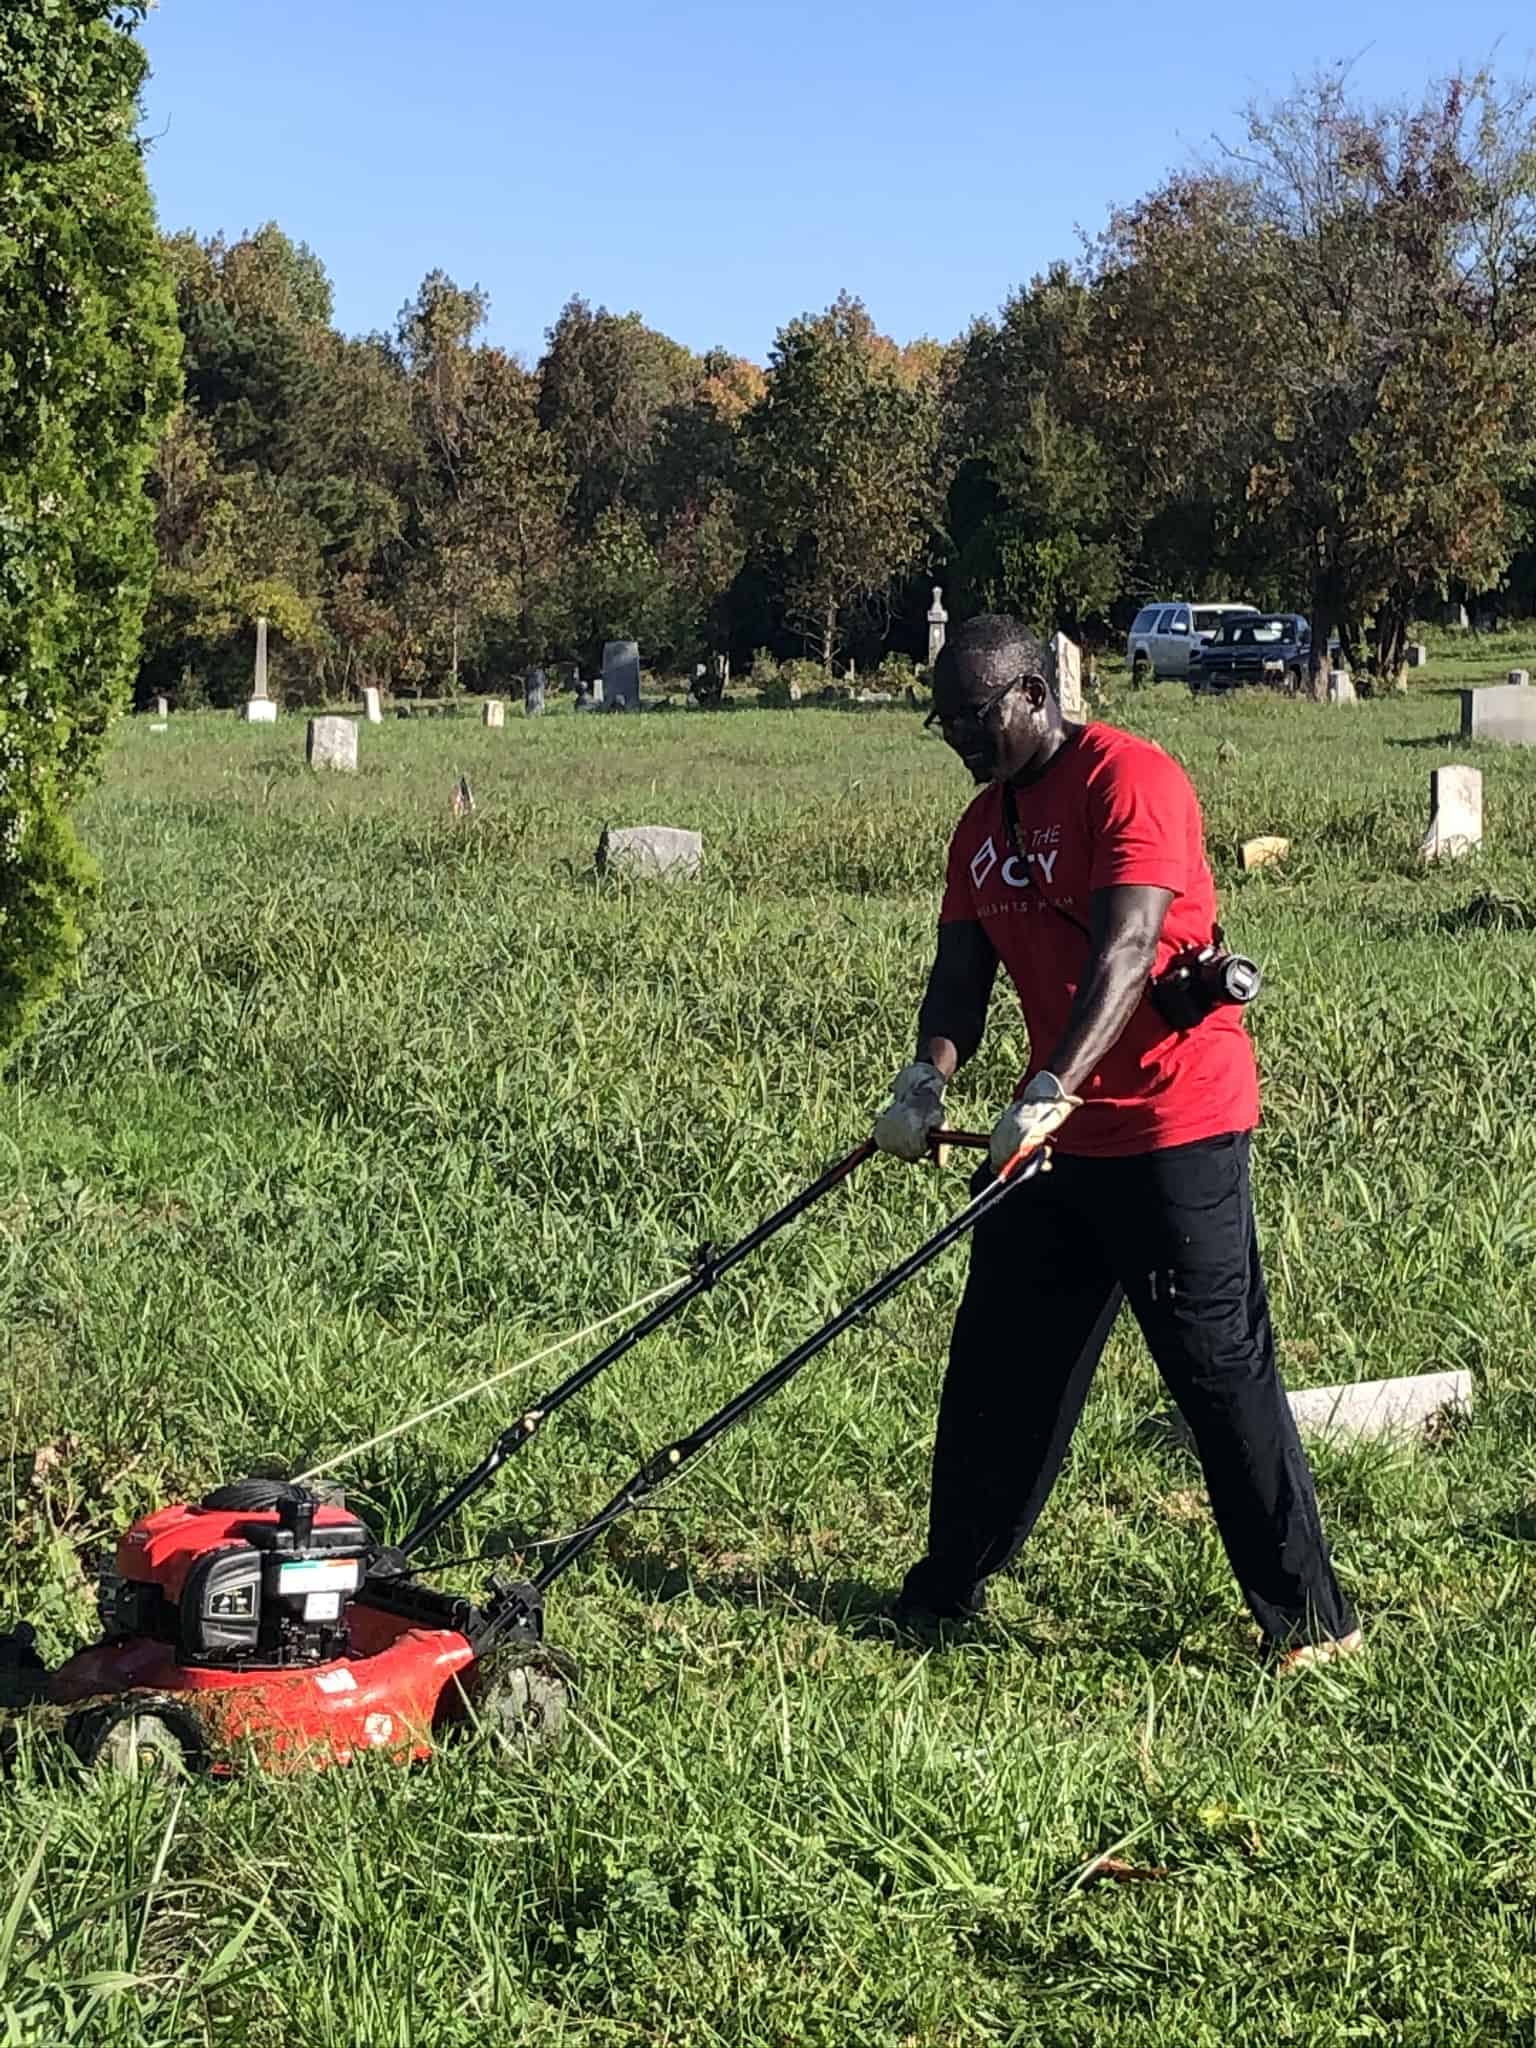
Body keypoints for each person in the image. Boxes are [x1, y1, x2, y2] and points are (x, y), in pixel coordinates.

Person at [873, 613, 1359, 1670]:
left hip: (1173, 1122)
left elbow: (1130, 948)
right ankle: (946, 1587)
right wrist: (928, 1076)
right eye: (941, 718)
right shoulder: (980, 826)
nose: (957, 734)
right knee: (1000, 1361)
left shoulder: (1128, 779)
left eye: (973, 714)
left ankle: (1312, 1625)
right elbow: (963, 975)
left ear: (1034, 699)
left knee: (1220, 1371)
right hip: (1058, 1142)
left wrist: (1052, 1080)